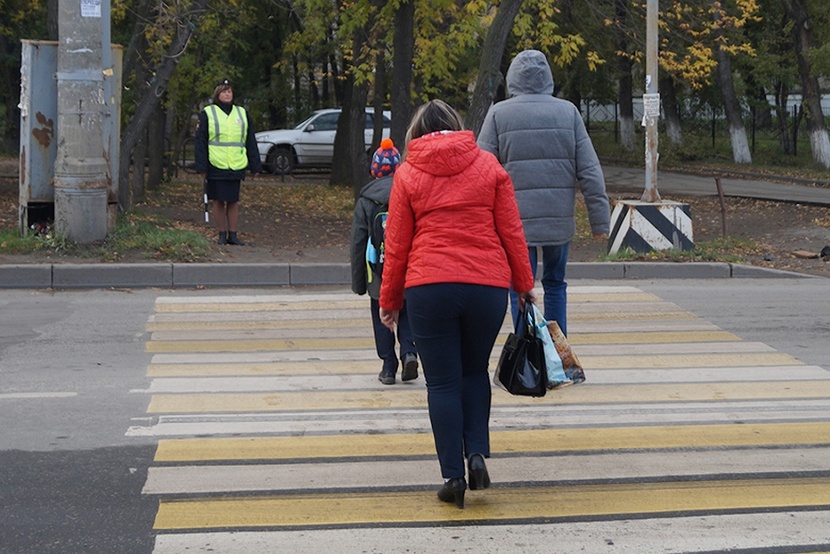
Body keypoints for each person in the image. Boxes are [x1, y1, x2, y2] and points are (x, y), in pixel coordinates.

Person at [378, 100, 536, 509]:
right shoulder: (488, 166)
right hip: (486, 286)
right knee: (473, 372)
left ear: (417, 133)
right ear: (456, 126)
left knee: (443, 382)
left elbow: (396, 245)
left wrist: (390, 301)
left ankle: (453, 476)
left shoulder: (408, 173)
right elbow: (511, 231)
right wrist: (524, 285)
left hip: (430, 286)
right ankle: (477, 455)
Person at [477, 49, 610, 337]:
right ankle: (557, 352)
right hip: (557, 221)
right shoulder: (568, 112)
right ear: (547, 78)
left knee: (518, 287)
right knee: (555, 284)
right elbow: (589, 168)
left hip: (514, 223)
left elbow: (481, 170)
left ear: (512, 78)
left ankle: (529, 353)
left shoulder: (499, 113)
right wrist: (600, 221)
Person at [350, 138, 419, 385]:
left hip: (376, 270)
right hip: (409, 265)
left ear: (374, 170)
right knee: (408, 309)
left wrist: (359, 283)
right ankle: (409, 351)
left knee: (381, 311)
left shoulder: (366, 200)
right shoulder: (410, 191)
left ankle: (388, 365)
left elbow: (359, 242)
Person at [195, 79, 263, 245]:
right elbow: (201, 141)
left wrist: (255, 164)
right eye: (224, 91)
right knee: (218, 200)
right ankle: (221, 234)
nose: (227, 94)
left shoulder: (242, 113)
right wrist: (201, 166)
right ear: (218, 94)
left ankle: (233, 234)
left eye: (230, 91)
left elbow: (250, 140)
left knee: (233, 200)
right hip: (215, 163)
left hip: (236, 164)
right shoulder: (208, 113)